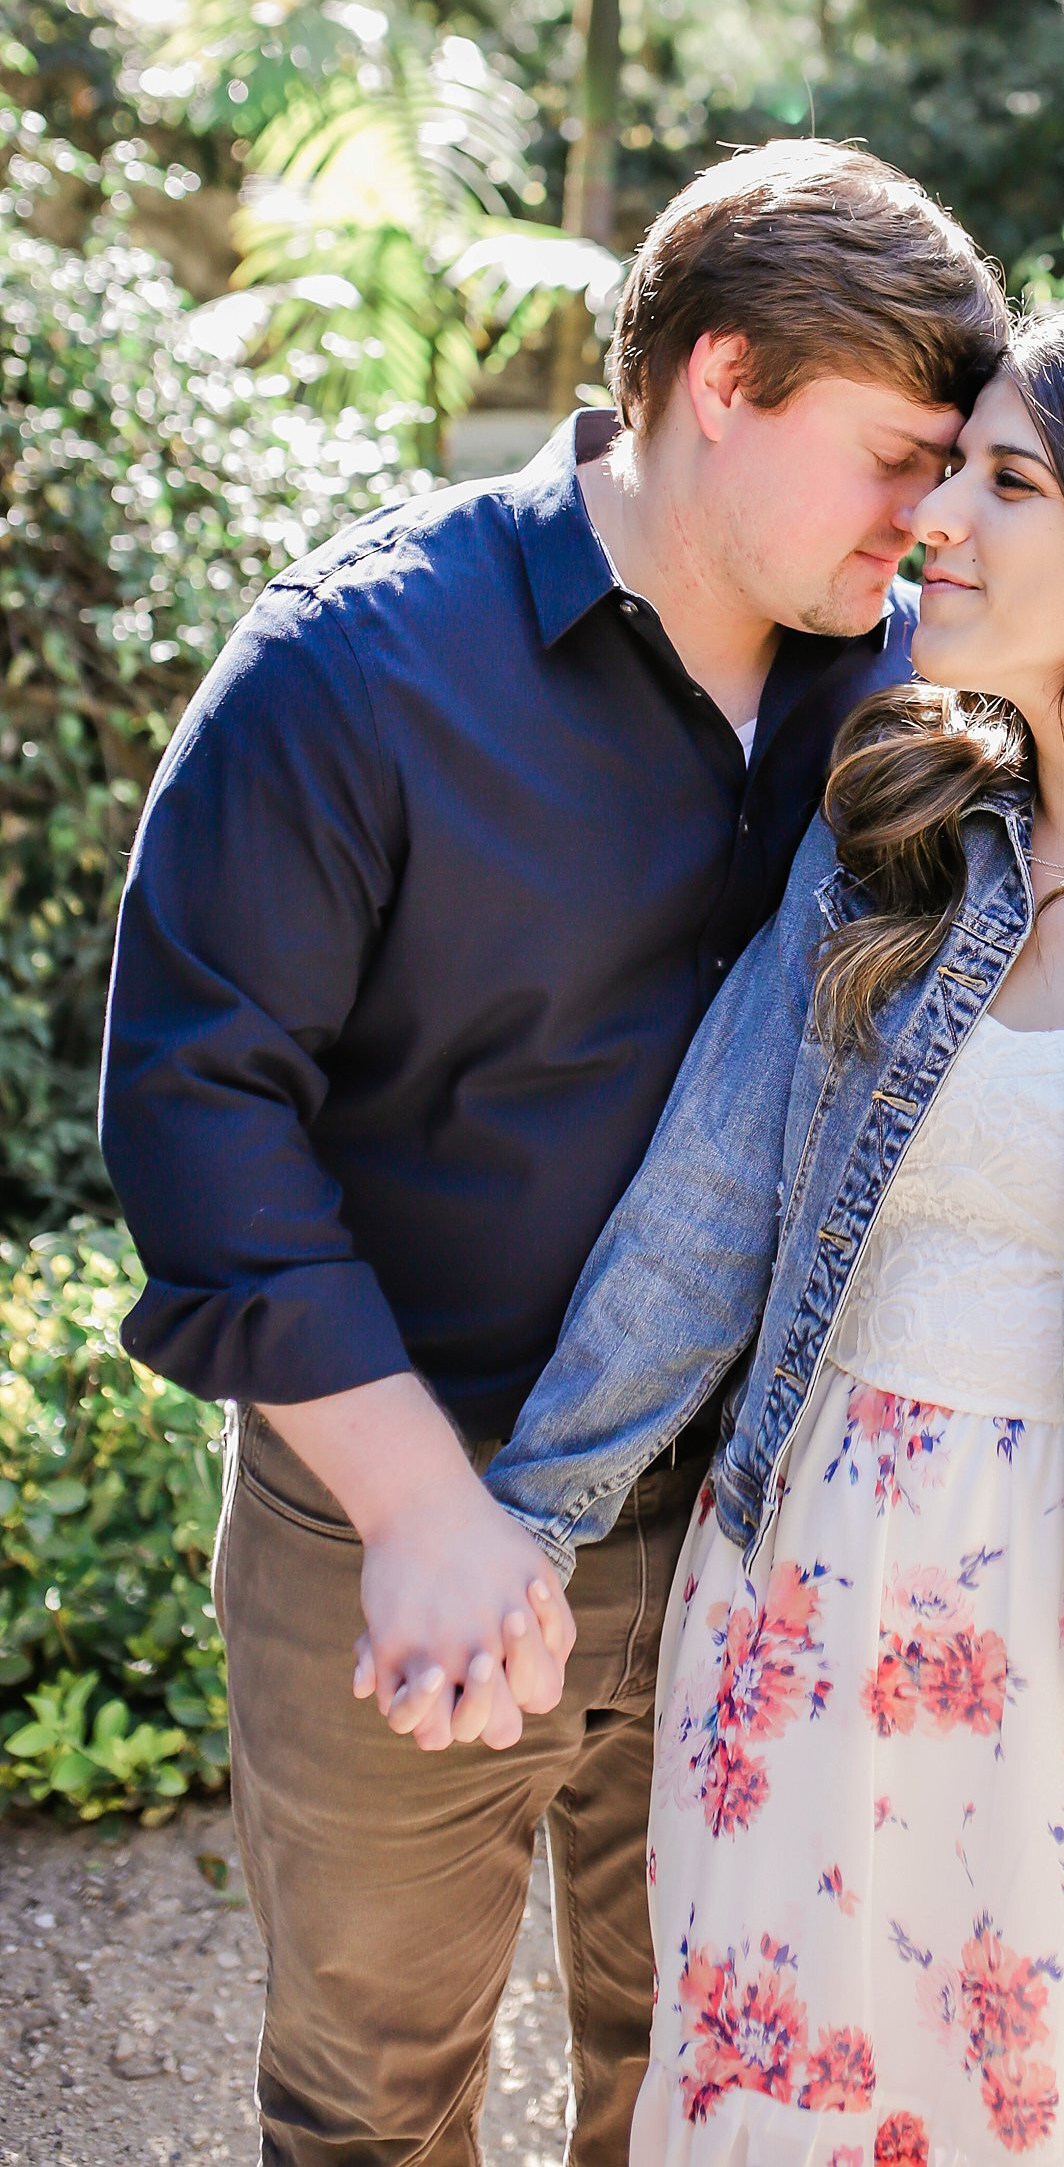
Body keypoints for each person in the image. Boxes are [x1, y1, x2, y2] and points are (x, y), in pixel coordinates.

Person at [365, 308, 1064, 2166]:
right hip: (798, 1613)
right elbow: (710, 1209)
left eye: (1003, 481)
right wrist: (529, 1521)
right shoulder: (901, 821)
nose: (934, 517)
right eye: (948, 467)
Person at [98, 143, 1011, 2167]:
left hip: (755, 1539)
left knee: (704, 2087)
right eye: (897, 454)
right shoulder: (349, 671)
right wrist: (425, 1505)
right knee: (373, 2099)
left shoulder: (912, 692)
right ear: (723, 382)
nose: (928, 515)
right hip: (392, 1515)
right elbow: (192, 1107)